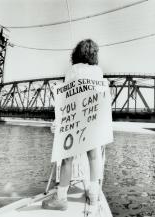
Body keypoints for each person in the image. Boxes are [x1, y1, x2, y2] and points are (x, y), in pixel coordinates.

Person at [42, 39, 104, 211]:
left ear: (77, 53)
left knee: (67, 158)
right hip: (92, 118)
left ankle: (61, 198)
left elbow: (66, 98)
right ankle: (93, 194)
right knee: (93, 156)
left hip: (75, 119)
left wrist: (58, 121)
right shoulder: (98, 71)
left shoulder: (72, 70)